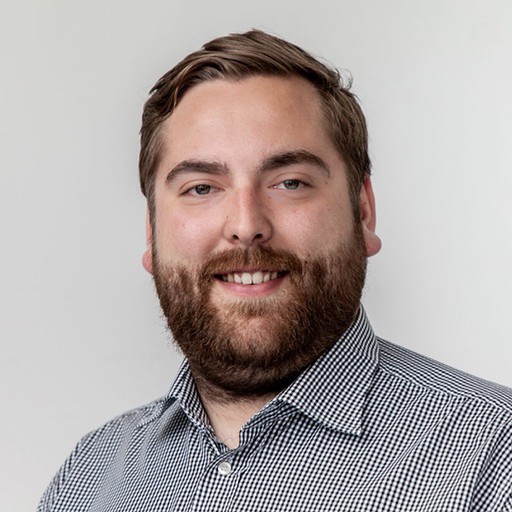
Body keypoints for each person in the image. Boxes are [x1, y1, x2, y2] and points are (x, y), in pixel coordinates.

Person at [38, 30, 512, 511]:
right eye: (201, 188)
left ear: (364, 211)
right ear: (151, 231)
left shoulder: (496, 456)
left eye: (290, 182)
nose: (246, 226)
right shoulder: (87, 477)